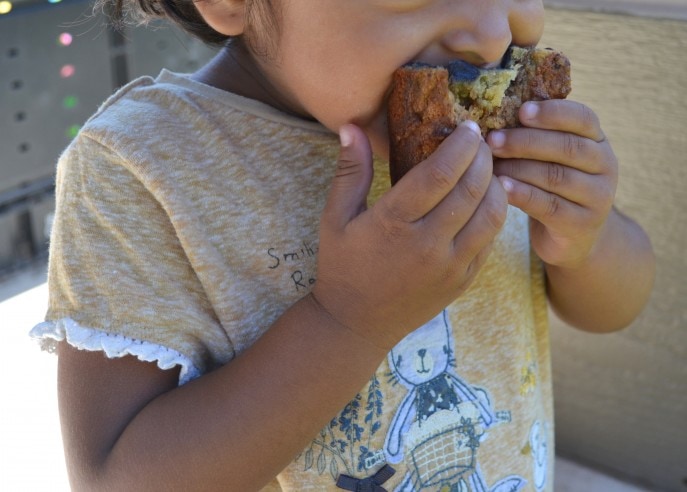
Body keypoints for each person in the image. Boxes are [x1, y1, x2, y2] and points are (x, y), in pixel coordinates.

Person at [30, 0, 655, 491]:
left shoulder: (493, 132)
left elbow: (610, 310)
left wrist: (587, 238)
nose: (493, 34)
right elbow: (114, 478)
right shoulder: (143, 167)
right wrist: (348, 320)